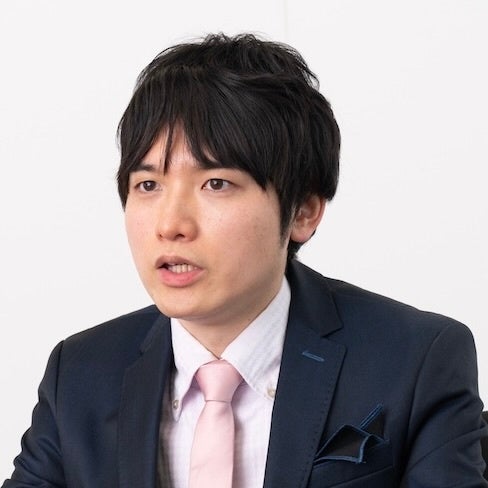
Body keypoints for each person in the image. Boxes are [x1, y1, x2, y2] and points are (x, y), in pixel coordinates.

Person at [3, 33, 487, 488]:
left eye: (216, 184)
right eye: (148, 185)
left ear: (303, 211)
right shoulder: (81, 373)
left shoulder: (416, 361)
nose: (170, 224)